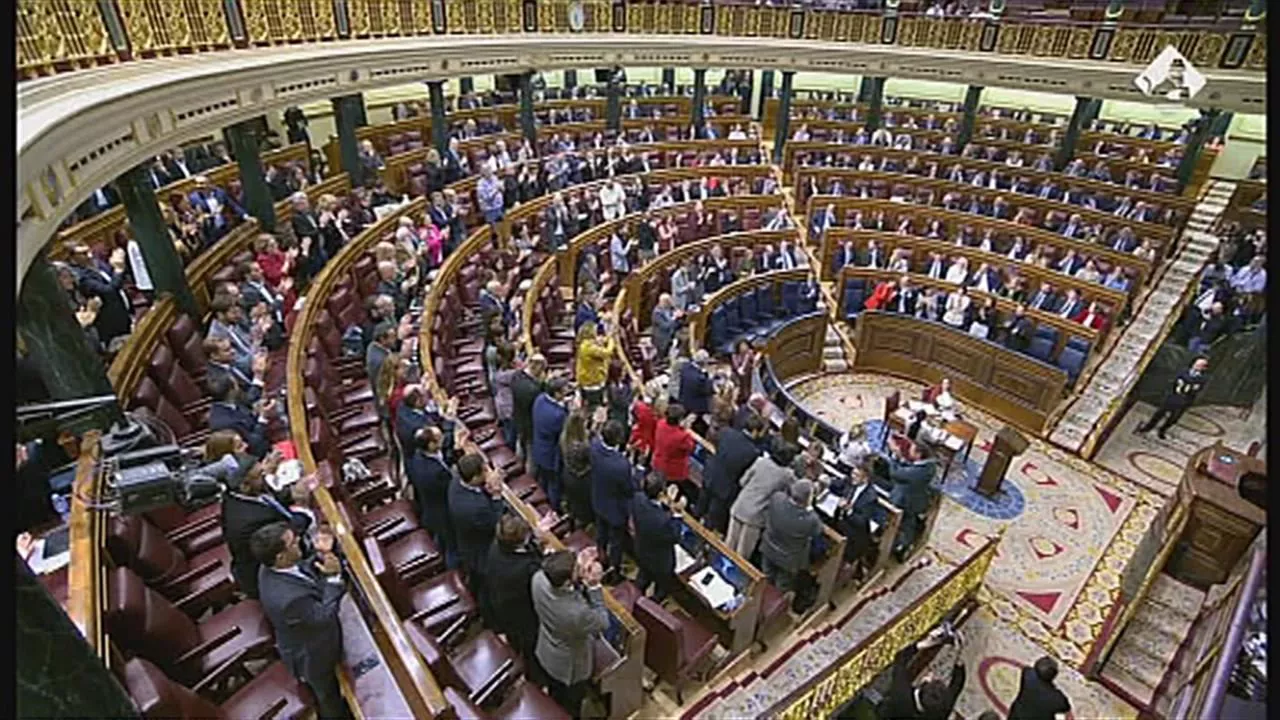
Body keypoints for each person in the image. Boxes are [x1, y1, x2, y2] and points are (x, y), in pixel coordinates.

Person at [251, 521, 351, 719]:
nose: (299, 541)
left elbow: (300, 571)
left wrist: (321, 555)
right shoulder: (288, 599)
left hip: (306, 633)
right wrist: (333, 577)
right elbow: (324, 615)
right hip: (313, 653)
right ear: (280, 556)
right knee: (328, 696)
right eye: (293, 543)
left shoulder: (269, 567)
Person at [531, 549, 609, 717]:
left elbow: (568, 590)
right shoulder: (576, 613)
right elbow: (603, 622)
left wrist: (577, 571)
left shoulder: (538, 579)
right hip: (570, 668)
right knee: (570, 706)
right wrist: (594, 587)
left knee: (555, 694)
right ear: (567, 581)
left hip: (547, 651)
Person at [221, 457, 312, 599]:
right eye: (260, 475)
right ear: (245, 486)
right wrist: (304, 511)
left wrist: (292, 492)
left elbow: (270, 499)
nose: (264, 477)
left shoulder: (238, 494)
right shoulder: (250, 520)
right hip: (268, 572)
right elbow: (289, 533)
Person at [483, 514, 553, 680]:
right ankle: (537, 681)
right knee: (532, 652)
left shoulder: (496, 546)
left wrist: (537, 537)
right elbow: (545, 579)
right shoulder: (527, 569)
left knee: (517, 642)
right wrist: (547, 555)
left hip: (503, 608)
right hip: (526, 618)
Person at [726, 438, 798, 561]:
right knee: (742, 556)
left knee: (728, 546)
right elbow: (795, 493)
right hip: (756, 516)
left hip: (740, 506)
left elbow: (742, 481)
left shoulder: (760, 462)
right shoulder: (787, 475)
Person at [879, 624, 966, 720]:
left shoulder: (901, 694)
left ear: (923, 684)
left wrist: (926, 643)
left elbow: (900, 658)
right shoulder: (940, 712)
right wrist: (959, 652)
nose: (931, 675)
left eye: (931, 678)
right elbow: (957, 685)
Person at [447, 453, 505, 595]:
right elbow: (496, 523)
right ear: (474, 478)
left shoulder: (456, 482)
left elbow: (478, 493)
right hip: (481, 552)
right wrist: (496, 495)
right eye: (484, 471)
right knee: (485, 587)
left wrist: (487, 486)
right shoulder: (476, 508)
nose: (487, 473)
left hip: (466, 540)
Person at [697, 414, 765, 534]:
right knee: (711, 520)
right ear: (755, 431)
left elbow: (717, 447)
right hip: (725, 487)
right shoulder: (753, 452)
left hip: (710, 475)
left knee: (700, 507)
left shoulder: (727, 432)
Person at [590, 420, 634, 583]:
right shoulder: (621, 465)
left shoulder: (594, 446)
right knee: (616, 542)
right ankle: (613, 570)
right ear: (618, 439)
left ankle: (600, 555)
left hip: (599, 499)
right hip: (616, 509)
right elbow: (628, 489)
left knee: (601, 532)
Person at [760, 479, 823, 593]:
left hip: (769, 546)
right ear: (808, 499)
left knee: (765, 576)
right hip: (788, 560)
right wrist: (809, 508)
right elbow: (817, 531)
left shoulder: (777, 498)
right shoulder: (811, 519)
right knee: (781, 586)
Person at [407, 426, 456, 567]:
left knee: (441, 540)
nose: (443, 439)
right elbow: (451, 488)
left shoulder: (419, 454)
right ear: (431, 445)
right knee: (452, 546)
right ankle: (453, 571)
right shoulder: (434, 473)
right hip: (442, 512)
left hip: (430, 506)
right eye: (440, 438)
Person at [631, 472, 684, 601]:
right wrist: (678, 513)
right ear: (661, 494)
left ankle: (634, 598)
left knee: (643, 576)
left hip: (642, 549)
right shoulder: (662, 521)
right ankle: (654, 603)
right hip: (660, 561)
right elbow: (675, 537)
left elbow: (656, 510)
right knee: (662, 586)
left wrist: (668, 503)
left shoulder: (637, 498)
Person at [1135, 356, 1209, 440]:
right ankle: (1148, 427)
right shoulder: (1183, 371)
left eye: (1201, 365)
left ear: (1204, 368)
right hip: (1172, 396)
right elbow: (1174, 380)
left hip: (1184, 400)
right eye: (1197, 364)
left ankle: (1162, 430)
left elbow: (1196, 389)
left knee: (1173, 418)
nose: (1197, 366)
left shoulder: (1202, 378)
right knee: (1159, 413)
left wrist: (1188, 387)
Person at [887, 441, 938, 559]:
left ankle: (903, 546)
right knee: (907, 522)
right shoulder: (928, 464)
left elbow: (896, 474)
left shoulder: (921, 471)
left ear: (919, 454)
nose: (909, 451)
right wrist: (900, 458)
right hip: (913, 495)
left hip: (908, 500)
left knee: (907, 523)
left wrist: (894, 457)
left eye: (912, 449)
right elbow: (910, 465)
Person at [532, 378, 573, 511]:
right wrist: (570, 410)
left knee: (543, 480)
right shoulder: (559, 415)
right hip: (551, 456)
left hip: (538, 447)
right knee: (554, 485)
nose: (566, 393)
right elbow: (567, 431)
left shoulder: (540, 399)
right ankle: (552, 509)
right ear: (556, 393)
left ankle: (541, 501)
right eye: (564, 391)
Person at [652, 402, 698, 503]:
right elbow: (691, 447)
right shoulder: (682, 436)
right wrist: (686, 429)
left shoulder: (661, 423)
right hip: (673, 471)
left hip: (658, 462)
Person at [1007, 656, 1072, 720]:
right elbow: (1066, 709)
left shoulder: (1027, 674)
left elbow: (1027, 668)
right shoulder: (1058, 699)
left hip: (1016, 716)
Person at [512, 354, 547, 465]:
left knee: (520, 443)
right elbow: (540, 404)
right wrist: (544, 384)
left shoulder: (516, 376)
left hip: (517, 418)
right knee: (531, 455)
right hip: (530, 425)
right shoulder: (533, 390)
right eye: (542, 370)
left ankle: (518, 462)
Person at [575, 320, 616, 410]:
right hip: (591, 382)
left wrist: (608, 337)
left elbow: (600, 341)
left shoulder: (587, 343)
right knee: (595, 407)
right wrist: (612, 340)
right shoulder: (588, 347)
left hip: (591, 378)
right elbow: (607, 352)